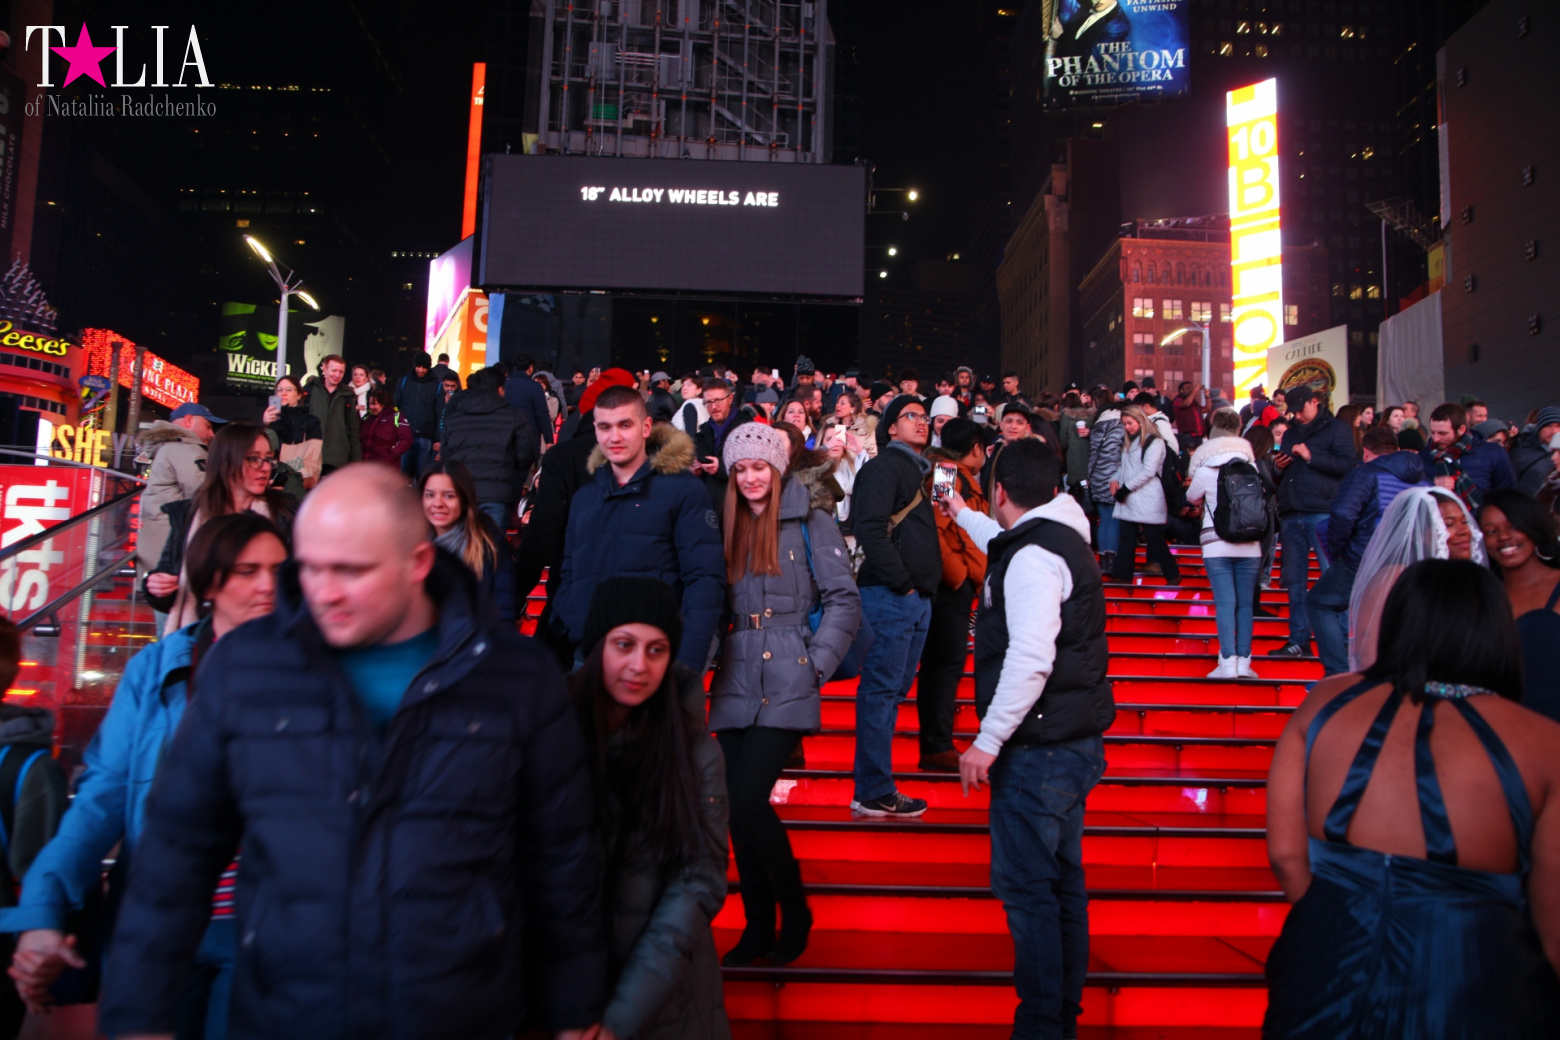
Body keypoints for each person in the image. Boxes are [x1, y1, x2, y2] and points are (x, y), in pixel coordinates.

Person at [95, 465, 607, 1039]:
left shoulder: (516, 676)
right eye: (309, 568)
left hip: (459, 1011)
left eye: (352, 570)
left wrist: (575, 1007)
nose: (324, 591)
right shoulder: (246, 666)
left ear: (418, 563)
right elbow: (175, 853)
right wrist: (138, 1015)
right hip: (284, 1013)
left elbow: (560, 856)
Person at [3, 513, 288, 1039]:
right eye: (248, 570)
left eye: (279, 569)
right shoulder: (156, 669)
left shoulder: (315, 672)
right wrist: (42, 908)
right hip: (165, 920)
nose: (268, 584)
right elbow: (101, 799)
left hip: (269, 929)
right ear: (207, 583)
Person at [1263, 559, 1560, 1038]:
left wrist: (1333, 920)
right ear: (1495, 629)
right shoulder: (1544, 744)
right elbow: (1555, 927)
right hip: (1471, 972)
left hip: (1327, 952)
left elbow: (1285, 853)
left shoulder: (1324, 701)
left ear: (1402, 620)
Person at [937, 439, 1114, 1040]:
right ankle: (1059, 1018)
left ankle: (1041, 1025)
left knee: (1030, 892)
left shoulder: (1035, 557)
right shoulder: (1055, 537)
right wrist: (959, 512)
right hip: (1068, 742)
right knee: (1062, 885)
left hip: (1038, 751)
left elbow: (1032, 655)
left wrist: (986, 741)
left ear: (1004, 491)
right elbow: (1001, 540)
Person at [709, 424, 859, 967]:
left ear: (777, 469)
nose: (750, 478)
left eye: (759, 467)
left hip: (789, 669)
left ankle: (794, 911)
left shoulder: (811, 519)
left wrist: (814, 666)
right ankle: (757, 928)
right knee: (734, 809)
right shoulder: (724, 524)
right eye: (740, 469)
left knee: (750, 798)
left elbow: (844, 600)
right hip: (736, 672)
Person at [568, 578, 731, 1039]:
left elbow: (697, 883)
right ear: (598, 644)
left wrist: (620, 1020)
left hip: (666, 1003)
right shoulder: (552, 729)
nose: (639, 665)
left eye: (656, 650)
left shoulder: (694, 751)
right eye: (624, 645)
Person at [555, 385, 726, 671]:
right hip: (590, 658)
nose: (615, 436)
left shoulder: (684, 490)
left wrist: (686, 665)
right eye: (605, 427)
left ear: (646, 427)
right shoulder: (584, 499)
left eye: (625, 425)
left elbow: (704, 580)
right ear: (595, 431)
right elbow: (570, 571)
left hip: (656, 661)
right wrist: (572, 620)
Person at [850, 395, 940, 818]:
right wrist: (902, 583)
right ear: (890, 428)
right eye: (910, 417)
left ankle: (876, 785)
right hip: (891, 595)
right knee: (880, 691)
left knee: (891, 692)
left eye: (925, 417)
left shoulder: (923, 471)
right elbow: (868, 526)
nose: (921, 423)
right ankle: (872, 789)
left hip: (915, 598)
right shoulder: (886, 466)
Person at [144, 423, 297, 631]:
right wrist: (157, 587)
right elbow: (168, 577)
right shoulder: (188, 515)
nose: (265, 467)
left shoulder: (285, 511)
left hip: (267, 636)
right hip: (202, 639)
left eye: (268, 458)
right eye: (253, 458)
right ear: (225, 462)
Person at [1306, 427, 1430, 675]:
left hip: (1365, 557)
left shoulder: (1365, 474)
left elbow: (1342, 515)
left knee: (1320, 603)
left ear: (1367, 451)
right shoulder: (1424, 479)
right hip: (1409, 561)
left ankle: (1339, 672)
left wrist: (1340, 551)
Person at [1347, 487, 1484, 673]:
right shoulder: (1393, 578)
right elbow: (1368, 653)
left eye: (1464, 522)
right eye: (1449, 524)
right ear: (1418, 532)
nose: (1464, 531)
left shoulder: (1464, 579)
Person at [919, 418, 989, 771]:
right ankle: (936, 747)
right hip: (951, 587)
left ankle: (937, 744)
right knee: (943, 666)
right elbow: (934, 528)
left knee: (945, 664)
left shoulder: (955, 474)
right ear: (976, 448)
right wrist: (958, 577)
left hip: (960, 583)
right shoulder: (947, 473)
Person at [1267, 386, 1356, 659]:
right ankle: (1298, 640)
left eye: (1300, 409)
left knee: (1332, 575)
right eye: (1292, 411)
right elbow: (1284, 471)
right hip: (1293, 510)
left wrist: (1311, 456)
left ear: (1315, 402)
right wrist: (1279, 467)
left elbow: (1348, 466)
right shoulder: (1292, 430)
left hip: (1323, 511)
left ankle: (1342, 640)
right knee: (1294, 579)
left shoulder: (1338, 429)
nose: (1297, 416)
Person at [1186, 409, 1262, 677]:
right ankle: (1244, 662)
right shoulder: (1250, 466)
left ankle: (1227, 662)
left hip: (1216, 544)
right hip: (1251, 544)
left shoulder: (1207, 469)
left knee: (1225, 603)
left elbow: (1192, 498)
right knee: (1245, 605)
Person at [1480, 488, 1560, 724]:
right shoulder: (1483, 597)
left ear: (1533, 527)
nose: (1504, 537)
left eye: (1513, 526)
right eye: (1491, 531)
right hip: (1503, 735)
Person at [135, 402, 224, 600]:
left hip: (160, 550)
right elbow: (205, 491)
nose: (212, 434)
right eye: (208, 426)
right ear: (189, 420)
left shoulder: (169, 448)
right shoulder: (184, 449)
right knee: (175, 621)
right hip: (174, 554)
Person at [439, 366, 539, 531]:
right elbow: (526, 456)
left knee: (461, 549)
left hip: (461, 493)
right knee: (491, 549)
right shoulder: (513, 417)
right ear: (500, 389)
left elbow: (445, 457)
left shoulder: (455, 417)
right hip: (498, 495)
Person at [419, 461, 517, 623]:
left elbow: (503, 612)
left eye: (449, 496)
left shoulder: (490, 545)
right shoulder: (410, 546)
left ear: (464, 500)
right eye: (430, 495)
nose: (437, 503)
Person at [1108, 406, 1179, 585]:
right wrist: (1115, 480)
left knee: (1154, 537)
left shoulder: (1154, 442)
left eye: (1130, 423)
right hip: (1132, 496)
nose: (1127, 427)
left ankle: (1172, 574)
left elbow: (1149, 471)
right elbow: (1124, 468)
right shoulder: (1130, 443)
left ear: (1140, 421)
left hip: (1145, 496)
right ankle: (1123, 575)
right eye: (1125, 424)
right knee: (1128, 536)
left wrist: (1125, 488)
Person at [1422, 401, 1517, 512]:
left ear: (1461, 430)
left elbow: (1508, 495)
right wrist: (1432, 488)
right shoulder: (1423, 458)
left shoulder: (1492, 452)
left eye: (1442, 433)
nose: (1436, 439)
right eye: (1433, 432)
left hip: (1483, 524)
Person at [692, 377, 748, 513]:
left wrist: (721, 467)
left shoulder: (747, 428)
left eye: (718, 401)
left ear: (730, 399)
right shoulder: (703, 432)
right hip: (709, 506)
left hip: (738, 506)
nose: (713, 407)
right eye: (708, 402)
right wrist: (695, 469)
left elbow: (751, 465)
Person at [304, 353, 362, 474]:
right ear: (324, 368)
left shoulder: (347, 395)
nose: (337, 375)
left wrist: (356, 461)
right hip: (310, 457)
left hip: (337, 460)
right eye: (334, 370)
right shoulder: (309, 390)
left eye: (341, 372)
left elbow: (353, 430)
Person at [1087, 397, 1126, 573]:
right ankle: (1113, 562)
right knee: (1115, 518)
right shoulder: (1121, 425)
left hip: (1096, 476)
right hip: (1114, 477)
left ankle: (1103, 562)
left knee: (1104, 519)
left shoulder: (1096, 427)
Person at [264, 376, 324, 491]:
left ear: (299, 395)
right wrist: (265, 425)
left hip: (298, 479)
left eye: (289, 390)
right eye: (279, 390)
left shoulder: (311, 421)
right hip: (271, 479)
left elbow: (313, 453)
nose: (283, 393)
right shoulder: (271, 419)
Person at [393, 351, 441, 478]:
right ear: (414, 365)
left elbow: (439, 413)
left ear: (429, 367)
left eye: (424, 367)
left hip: (425, 437)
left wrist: (438, 438)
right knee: (402, 477)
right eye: (418, 366)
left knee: (422, 477)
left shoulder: (437, 385)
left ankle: (420, 498)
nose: (420, 370)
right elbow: (395, 408)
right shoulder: (403, 381)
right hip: (404, 435)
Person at [503, 353, 556, 452]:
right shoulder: (535, 387)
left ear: (515, 367)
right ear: (530, 368)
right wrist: (549, 439)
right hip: (529, 437)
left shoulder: (504, 386)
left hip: (505, 436)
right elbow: (542, 414)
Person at [358, 386, 412, 469]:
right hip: (365, 464)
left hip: (386, 466)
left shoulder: (396, 416)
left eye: (374, 404)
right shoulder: (367, 417)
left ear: (383, 403)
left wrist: (392, 454)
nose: (371, 407)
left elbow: (406, 439)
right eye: (370, 404)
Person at [1511, 406, 1560, 495]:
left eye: (1558, 426)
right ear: (1539, 429)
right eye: (1548, 426)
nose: (1554, 431)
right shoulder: (1519, 455)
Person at [1172, 382, 1207, 451]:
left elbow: (1206, 409)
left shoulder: (1194, 403)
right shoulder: (1177, 400)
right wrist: (1194, 391)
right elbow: (1186, 404)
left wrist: (1207, 396)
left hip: (1198, 436)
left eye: (1191, 387)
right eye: (1188, 388)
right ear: (1181, 390)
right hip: (1187, 435)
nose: (1191, 389)